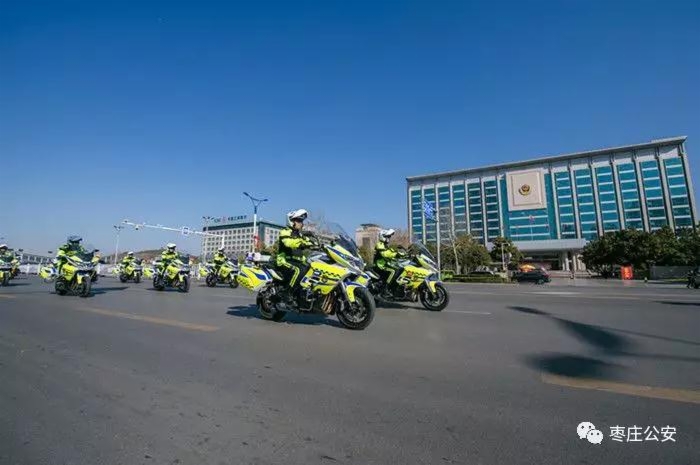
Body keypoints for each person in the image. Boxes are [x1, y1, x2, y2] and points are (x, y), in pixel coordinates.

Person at [276, 209, 314, 299]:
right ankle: (287, 293)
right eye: (299, 221)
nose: (301, 223)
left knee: (312, 269)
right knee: (298, 270)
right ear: (291, 221)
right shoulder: (285, 232)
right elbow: (288, 243)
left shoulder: (300, 235)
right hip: (284, 261)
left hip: (298, 261)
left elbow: (308, 241)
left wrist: (317, 244)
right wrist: (302, 243)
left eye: (301, 221)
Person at [373, 229, 405, 293]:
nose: (389, 238)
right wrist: (396, 254)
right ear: (383, 236)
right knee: (393, 271)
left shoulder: (385, 245)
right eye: (387, 236)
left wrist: (403, 254)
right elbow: (385, 254)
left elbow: (391, 252)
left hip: (385, 264)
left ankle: (395, 288)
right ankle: (385, 288)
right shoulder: (380, 244)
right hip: (379, 265)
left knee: (400, 268)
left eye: (389, 237)